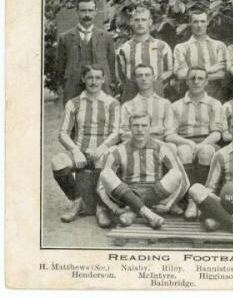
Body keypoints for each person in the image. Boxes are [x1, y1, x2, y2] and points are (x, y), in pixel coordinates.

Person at [51, 64, 120, 227]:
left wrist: (102, 149)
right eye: (89, 77)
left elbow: (116, 132)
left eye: (97, 78)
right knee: (58, 162)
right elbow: (63, 133)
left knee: (108, 160)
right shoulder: (73, 103)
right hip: (80, 151)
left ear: (103, 80)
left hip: (102, 150)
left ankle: (101, 207)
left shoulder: (112, 103)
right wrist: (75, 151)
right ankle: (76, 201)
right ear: (83, 79)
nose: (93, 82)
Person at [99, 112, 190, 229]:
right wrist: (115, 209)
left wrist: (169, 204)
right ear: (130, 128)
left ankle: (132, 211)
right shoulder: (118, 150)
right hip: (128, 193)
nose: (140, 129)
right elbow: (101, 186)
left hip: (155, 193)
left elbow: (183, 181)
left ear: (150, 127)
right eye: (136, 125)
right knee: (105, 173)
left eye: (144, 125)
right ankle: (148, 214)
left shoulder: (162, 147)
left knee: (176, 174)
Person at [166, 67, 224, 220]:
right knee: (184, 151)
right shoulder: (176, 105)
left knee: (205, 151)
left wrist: (201, 144)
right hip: (184, 140)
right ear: (186, 81)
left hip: (207, 140)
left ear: (206, 82)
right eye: (192, 78)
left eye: (200, 78)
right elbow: (170, 134)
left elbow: (217, 133)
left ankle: (204, 199)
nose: (196, 81)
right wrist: (189, 143)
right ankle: (191, 200)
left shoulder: (214, 104)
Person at [56, 0, 116, 105]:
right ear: (77, 12)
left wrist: (110, 86)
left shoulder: (107, 37)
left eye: (90, 10)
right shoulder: (65, 38)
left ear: (95, 12)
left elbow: (111, 65)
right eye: (83, 11)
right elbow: (60, 68)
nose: (87, 15)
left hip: (101, 89)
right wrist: (64, 87)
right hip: (74, 90)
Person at [116, 7, 173, 102]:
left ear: (150, 22)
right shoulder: (123, 48)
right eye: (137, 20)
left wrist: (156, 81)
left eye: (143, 20)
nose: (140, 23)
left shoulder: (162, 46)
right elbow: (121, 75)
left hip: (156, 96)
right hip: (131, 97)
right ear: (131, 22)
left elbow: (169, 70)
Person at [173, 9, 227, 101]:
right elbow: (181, 75)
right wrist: (211, 69)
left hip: (214, 97)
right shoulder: (181, 47)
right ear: (190, 23)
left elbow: (221, 74)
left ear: (208, 22)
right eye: (195, 22)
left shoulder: (219, 46)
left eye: (202, 21)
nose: (199, 25)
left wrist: (192, 76)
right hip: (189, 99)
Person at [120, 64, 176, 144]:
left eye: (147, 75)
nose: (143, 78)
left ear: (154, 77)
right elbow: (124, 134)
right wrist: (155, 130)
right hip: (135, 146)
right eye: (139, 76)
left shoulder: (165, 104)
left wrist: (139, 133)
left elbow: (169, 131)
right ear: (135, 79)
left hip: (159, 146)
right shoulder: (127, 106)